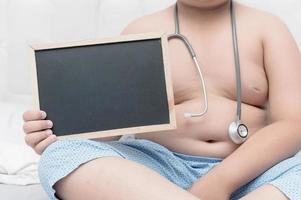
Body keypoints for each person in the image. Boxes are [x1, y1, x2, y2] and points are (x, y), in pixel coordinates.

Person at [22, 0, 301, 199]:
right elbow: (111, 124)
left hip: (254, 171)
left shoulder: (268, 28)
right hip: (156, 170)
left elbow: (292, 124)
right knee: (60, 158)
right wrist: (54, 133)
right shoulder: (140, 31)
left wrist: (222, 180)